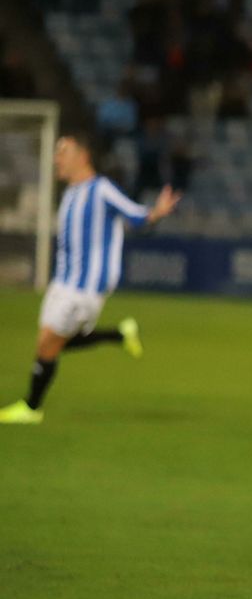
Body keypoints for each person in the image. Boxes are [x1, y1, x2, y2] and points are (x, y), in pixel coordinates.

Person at [2, 135, 179, 425]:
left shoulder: (102, 189)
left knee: (49, 342)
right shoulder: (71, 193)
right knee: (50, 342)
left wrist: (156, 212)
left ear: (83, 157)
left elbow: (134, 215)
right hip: (63, 282)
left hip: (85, 286)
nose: (57, 158)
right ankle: (118, 334)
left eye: (64, 152)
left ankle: (31, 408)